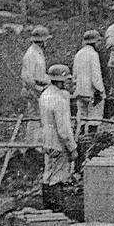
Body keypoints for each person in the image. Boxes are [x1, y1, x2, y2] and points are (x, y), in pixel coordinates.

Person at [39, 64, 78, 212]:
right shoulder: (59, 99)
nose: (69, 83)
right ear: (61, 81)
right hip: (58, 143)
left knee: (48, 175)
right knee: (57, 178)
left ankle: (47, 211)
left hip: (47, 141)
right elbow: (63, 129)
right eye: (67, 80)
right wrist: (72, 147)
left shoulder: (45, 95)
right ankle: (58, 212)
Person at [20, 25, 52, 142]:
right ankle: (32, 144)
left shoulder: (37, 53)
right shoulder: (31, 54)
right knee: (35, 118)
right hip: (33, 88)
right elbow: (28, 77)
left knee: (37, 117)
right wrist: (37, 89)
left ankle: (33, 142)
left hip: (37, 87)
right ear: (42, 41)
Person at [73, 29, 105, 135]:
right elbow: (96, 76)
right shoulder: (93, 54)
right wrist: (100, 90)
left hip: (80, 90)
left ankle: (80, 137)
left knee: (82, 117)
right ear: (94, 42)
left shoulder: (79, 54)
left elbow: (75, 74)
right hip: (91, 91)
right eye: (98, 42)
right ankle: (91, 137)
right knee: (94, 118)